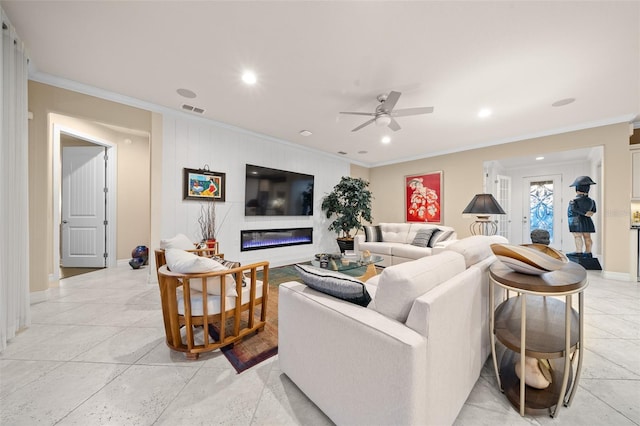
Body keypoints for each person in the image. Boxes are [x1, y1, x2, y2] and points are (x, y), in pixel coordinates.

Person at [567, 176, 596, 255]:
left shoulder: (573, 201)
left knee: (577, 236)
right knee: (587, 237)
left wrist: (584, 213)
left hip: (576, 220)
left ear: (577, 189)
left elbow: (574, 209)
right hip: (587, 220)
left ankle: (579, 252)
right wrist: (587, 213)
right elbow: (593, 211)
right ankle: (588, 252)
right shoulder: (592, 201)